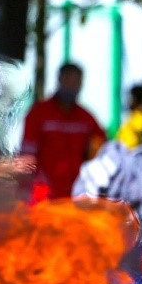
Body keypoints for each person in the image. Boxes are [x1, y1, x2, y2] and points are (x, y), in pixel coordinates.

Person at [19, 62, 105, 202]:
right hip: (43, 196)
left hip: (76, 196)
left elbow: (102, 151)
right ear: (59, 80)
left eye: (76, 82)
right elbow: (27, 157)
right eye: (68, 81)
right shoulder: (39, 114)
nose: (72, 86)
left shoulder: (86, 119)